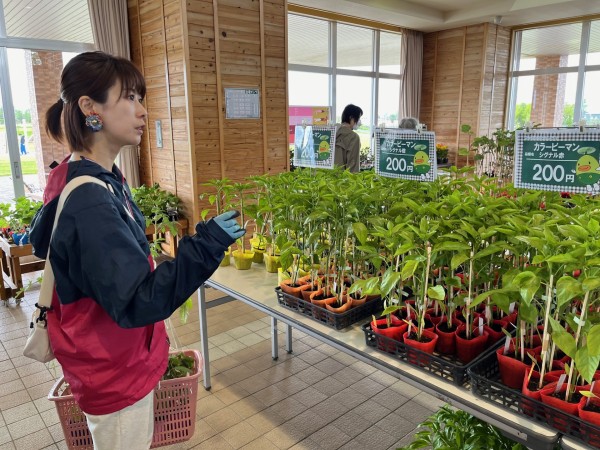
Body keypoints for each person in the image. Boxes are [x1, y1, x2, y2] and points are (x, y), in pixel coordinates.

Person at [29, 51, 245, 450]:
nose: (143, 111)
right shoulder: (90, 199)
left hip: (114, 359)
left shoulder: (92, 176)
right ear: (90, 108)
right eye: (130, 97)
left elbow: (113, 272)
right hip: (113, 370)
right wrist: (207, 245)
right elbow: (138, 301)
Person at [334, 104, 363, 173]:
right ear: (351, 118)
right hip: (342, 180)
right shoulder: (354, 137)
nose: (359, 122)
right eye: (358, 118)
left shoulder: (331, 131)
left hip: (325, 178)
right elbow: (352, 164)